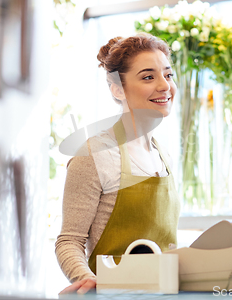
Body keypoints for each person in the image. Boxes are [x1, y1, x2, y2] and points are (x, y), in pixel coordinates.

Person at [55, 33, 180, 294]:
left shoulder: (163, 155)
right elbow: (69, 241)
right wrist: (86, 278)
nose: (165, 86)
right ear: (117, 89)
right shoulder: (94, 154)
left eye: (168, 75)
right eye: (149, 77)